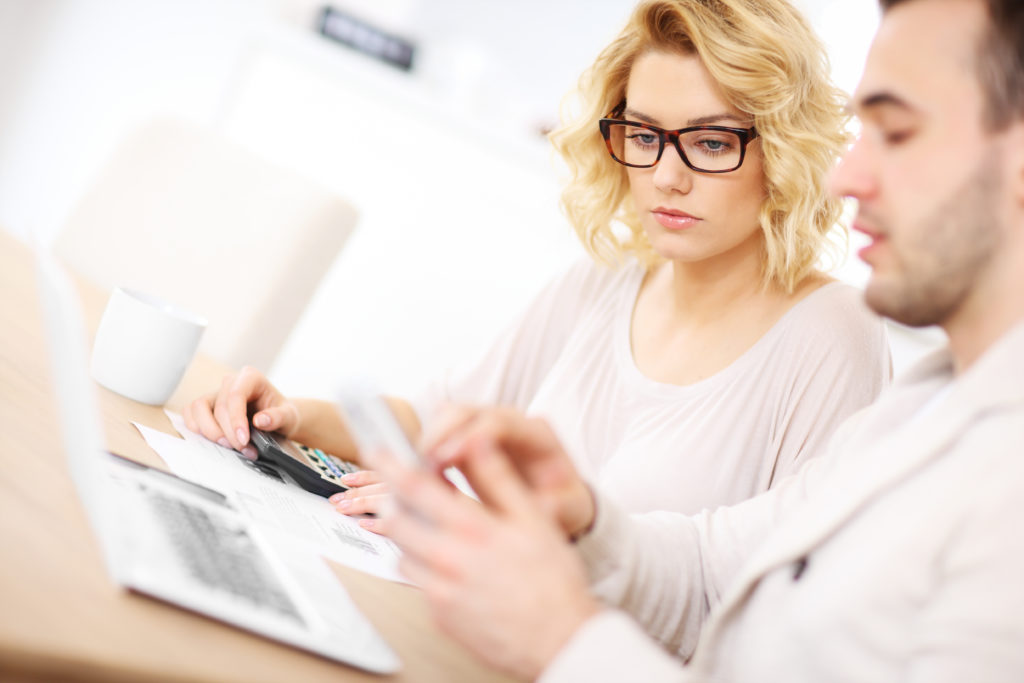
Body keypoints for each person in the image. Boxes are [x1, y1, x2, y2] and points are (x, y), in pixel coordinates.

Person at [379, 0, 1024, 680]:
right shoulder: (926, 401)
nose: (846, 178)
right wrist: (582, 515)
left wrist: (563, 638)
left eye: (896, 132)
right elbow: (717, 573)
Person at [184, 0, 891, 527]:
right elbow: (434, 421)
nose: (666, 177)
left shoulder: (833, 337)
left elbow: (771, 616)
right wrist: (290, 414)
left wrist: (489, 531)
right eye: (643, 134)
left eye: (709, 143)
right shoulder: (607, 282)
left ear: (784, 148)